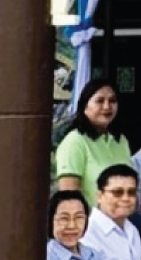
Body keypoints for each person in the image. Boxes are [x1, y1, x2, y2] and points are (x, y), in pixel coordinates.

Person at [56, 78, 131, 206]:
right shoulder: (75, 142)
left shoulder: (120, 141)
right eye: (100, 101)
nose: (107, 106)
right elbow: (69, 198)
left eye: (112, 101)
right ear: (85, 106)